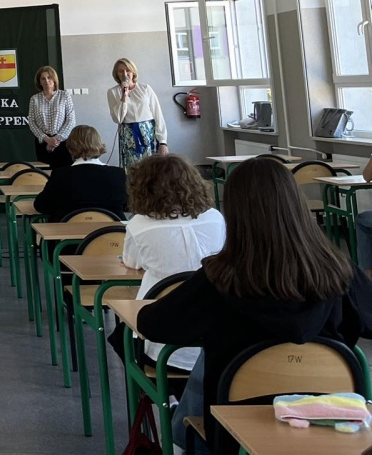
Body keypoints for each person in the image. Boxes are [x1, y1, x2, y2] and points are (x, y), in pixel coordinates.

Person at [138, 158, 372, 455]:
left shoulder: (219, 280)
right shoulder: (341, 273)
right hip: (329, 424)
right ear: (297, 205)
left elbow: (152, 324)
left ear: (234, 215)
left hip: (234, 436)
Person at [110, 154, 224, 371]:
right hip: (213, 337)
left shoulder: (138, 224)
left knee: (120, 337)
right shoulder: (215, 217)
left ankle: (156, 389)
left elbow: (132, 261)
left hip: (161, 339)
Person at [31, 125, 127, 222]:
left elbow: (41, 206)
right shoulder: (118, 175)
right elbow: (127, 205)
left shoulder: (60, 175)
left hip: (66, 231)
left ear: (69, 147)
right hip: (111, 230)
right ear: (99, 144)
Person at [107, 57, 168, 169]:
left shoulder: (145, 88)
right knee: (132, 168)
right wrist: (124, 96)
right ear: (117, 74)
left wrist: (163, 142)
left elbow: (158, 114)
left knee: (152, 167)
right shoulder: (113, 92)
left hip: (148, 133)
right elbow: (118, 119)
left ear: (133, 72)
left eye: (128, 70)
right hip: (129, 134)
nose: (125, 74)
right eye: (121, 71)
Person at [27, 65, 74, 169]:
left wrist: (55, 140)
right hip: (43, 143)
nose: (46, 81)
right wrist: (47, 139)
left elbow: (71, 120)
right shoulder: (34, 99)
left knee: (64, 173)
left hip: (63, 142)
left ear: (54, 79)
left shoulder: (64, 96)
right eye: (43, 78)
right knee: (44, 173)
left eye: (49, 77)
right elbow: (32, 122)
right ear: (39, 82)